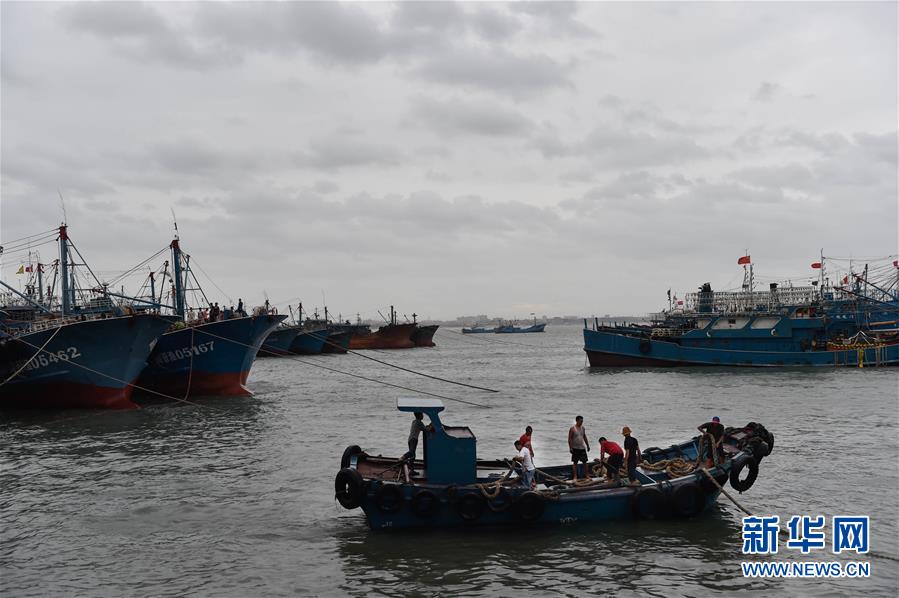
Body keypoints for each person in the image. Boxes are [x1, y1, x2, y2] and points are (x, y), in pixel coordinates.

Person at [568, 415, 590, 481]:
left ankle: (587, 475)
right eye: (580, 421)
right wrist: (570, 448)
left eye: (582, 421)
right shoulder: (572, 429)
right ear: (577, 421)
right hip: (575, 448)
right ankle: (575, 476)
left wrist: (588, 445)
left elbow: (584, 437)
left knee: (585, 462)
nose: (581, 422)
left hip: (582, 448)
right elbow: (570, 439)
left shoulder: (583, 428)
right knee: (575, 462)